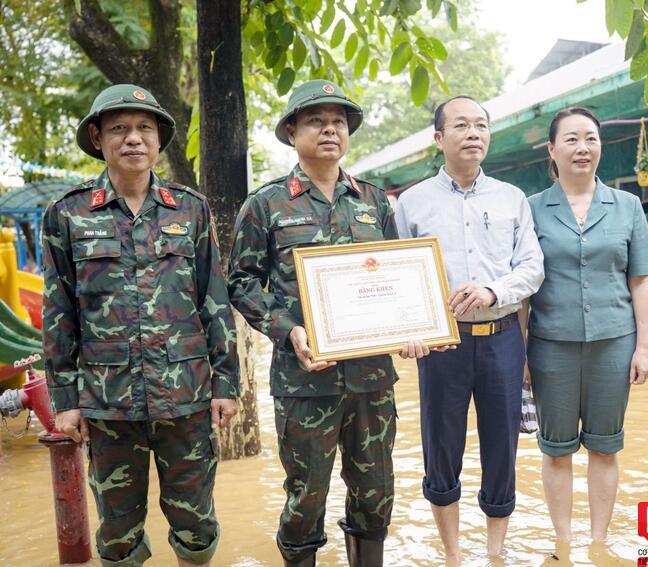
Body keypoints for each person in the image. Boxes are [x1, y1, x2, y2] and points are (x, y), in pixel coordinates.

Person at [227, 79, 436, 567]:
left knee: (376, 490)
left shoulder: (375, 202)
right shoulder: (266, 205)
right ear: (292, 131)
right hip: (304, 380)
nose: (330, 130)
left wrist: (412, 328)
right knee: (306, 495)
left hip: (371, 379)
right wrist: (288, 330)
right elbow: (241, 282)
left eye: (339, 122)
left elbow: (398, 279)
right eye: (317, 121)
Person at [43, 84, 239, 567]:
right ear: (98, 136)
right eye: (119, 129)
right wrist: (66, 403)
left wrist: (227, 384)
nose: (133, 139)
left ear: (158, 140)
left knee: (195, 522)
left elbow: (214, 299)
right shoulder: (68, 214)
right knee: (116, 530)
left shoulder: (189, 209)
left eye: (144, 129)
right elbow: (58, 313)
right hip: (109, 404)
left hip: (186, 396)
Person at [394, 95, 544, 564]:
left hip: (501, 339)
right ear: (439, 138)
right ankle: (454, 554)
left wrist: (494, 291)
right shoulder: (413, 202)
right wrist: (411, 328)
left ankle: (495, 554)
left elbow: (533, 266)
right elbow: (398, 275)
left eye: (481, 125)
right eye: (461, 125)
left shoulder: (511, 198)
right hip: (442, 344)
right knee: (441, 446)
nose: (473, 133)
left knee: (502, 446)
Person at [526, 107, 648, 554]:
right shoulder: (530, 210)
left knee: (605, 447)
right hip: (550, 346)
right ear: (552, 149)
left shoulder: (627, 206)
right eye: (571, 139)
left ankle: (598, 542)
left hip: (613, 343)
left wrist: (644, 346)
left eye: (591, 139)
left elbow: (641, 278)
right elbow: (523, 288)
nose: (582, 148)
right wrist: (523, 353)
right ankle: (562, 542)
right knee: (556, 449)